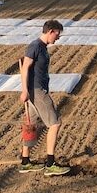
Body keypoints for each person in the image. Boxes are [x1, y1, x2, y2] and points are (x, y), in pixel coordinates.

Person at [18, 20, 70, 176]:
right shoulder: (35, 46)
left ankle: (25, 162)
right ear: (50, 31)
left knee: (31, 125)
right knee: (55, 123)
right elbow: (25, 68)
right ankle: (50, 163)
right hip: (37, 91)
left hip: (37, 90)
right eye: (57, 34)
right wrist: (24, 90)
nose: (58, 38)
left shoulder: (42, 47)